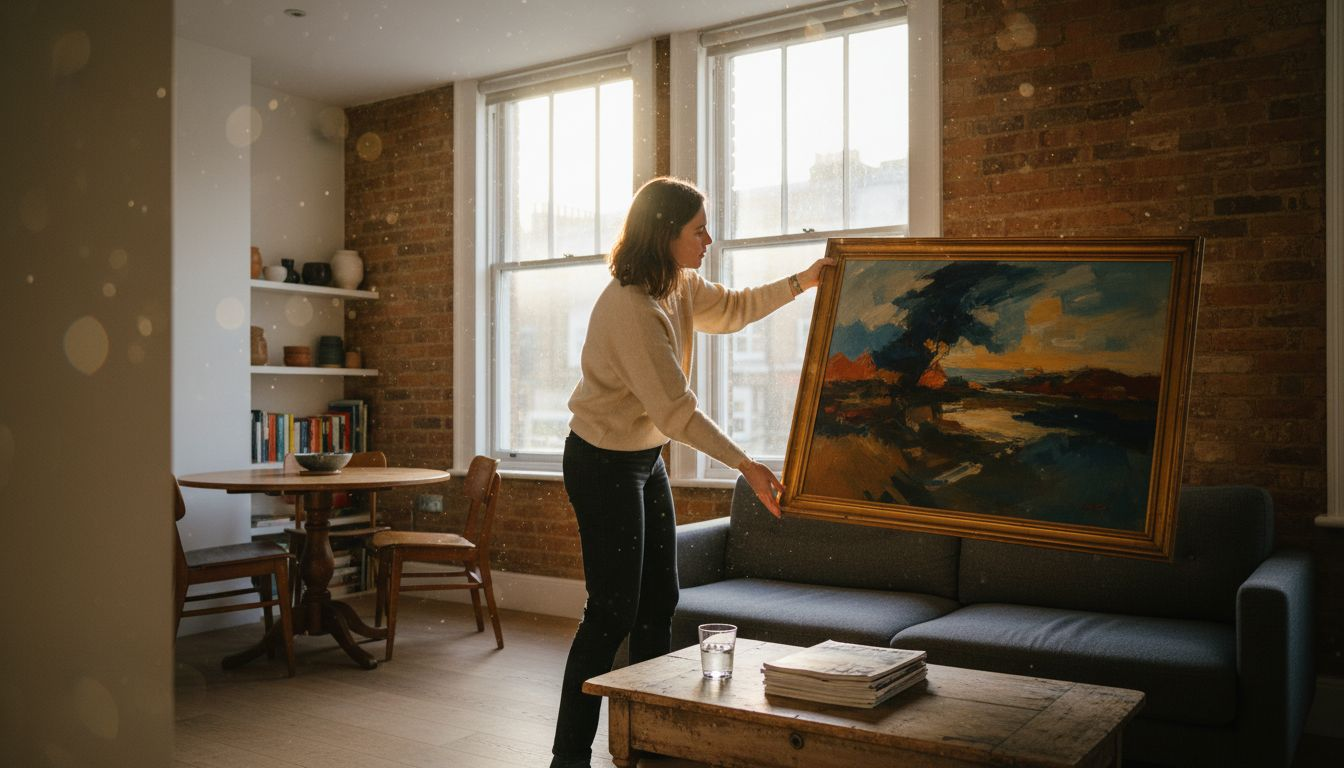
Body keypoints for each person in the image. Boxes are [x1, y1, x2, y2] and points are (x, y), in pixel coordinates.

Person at [550, 176, 832, 768]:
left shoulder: (677, 283)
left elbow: (733, 310)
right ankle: (568, 757)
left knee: (660, 602)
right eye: (698, 230)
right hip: (601, 461)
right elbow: (677, 412)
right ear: (664, 234)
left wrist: (803, 282)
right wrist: (748, 466)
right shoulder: (632, 307)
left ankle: (648, 738)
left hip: (643, 458)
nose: (708, 239)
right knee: (611, 613)